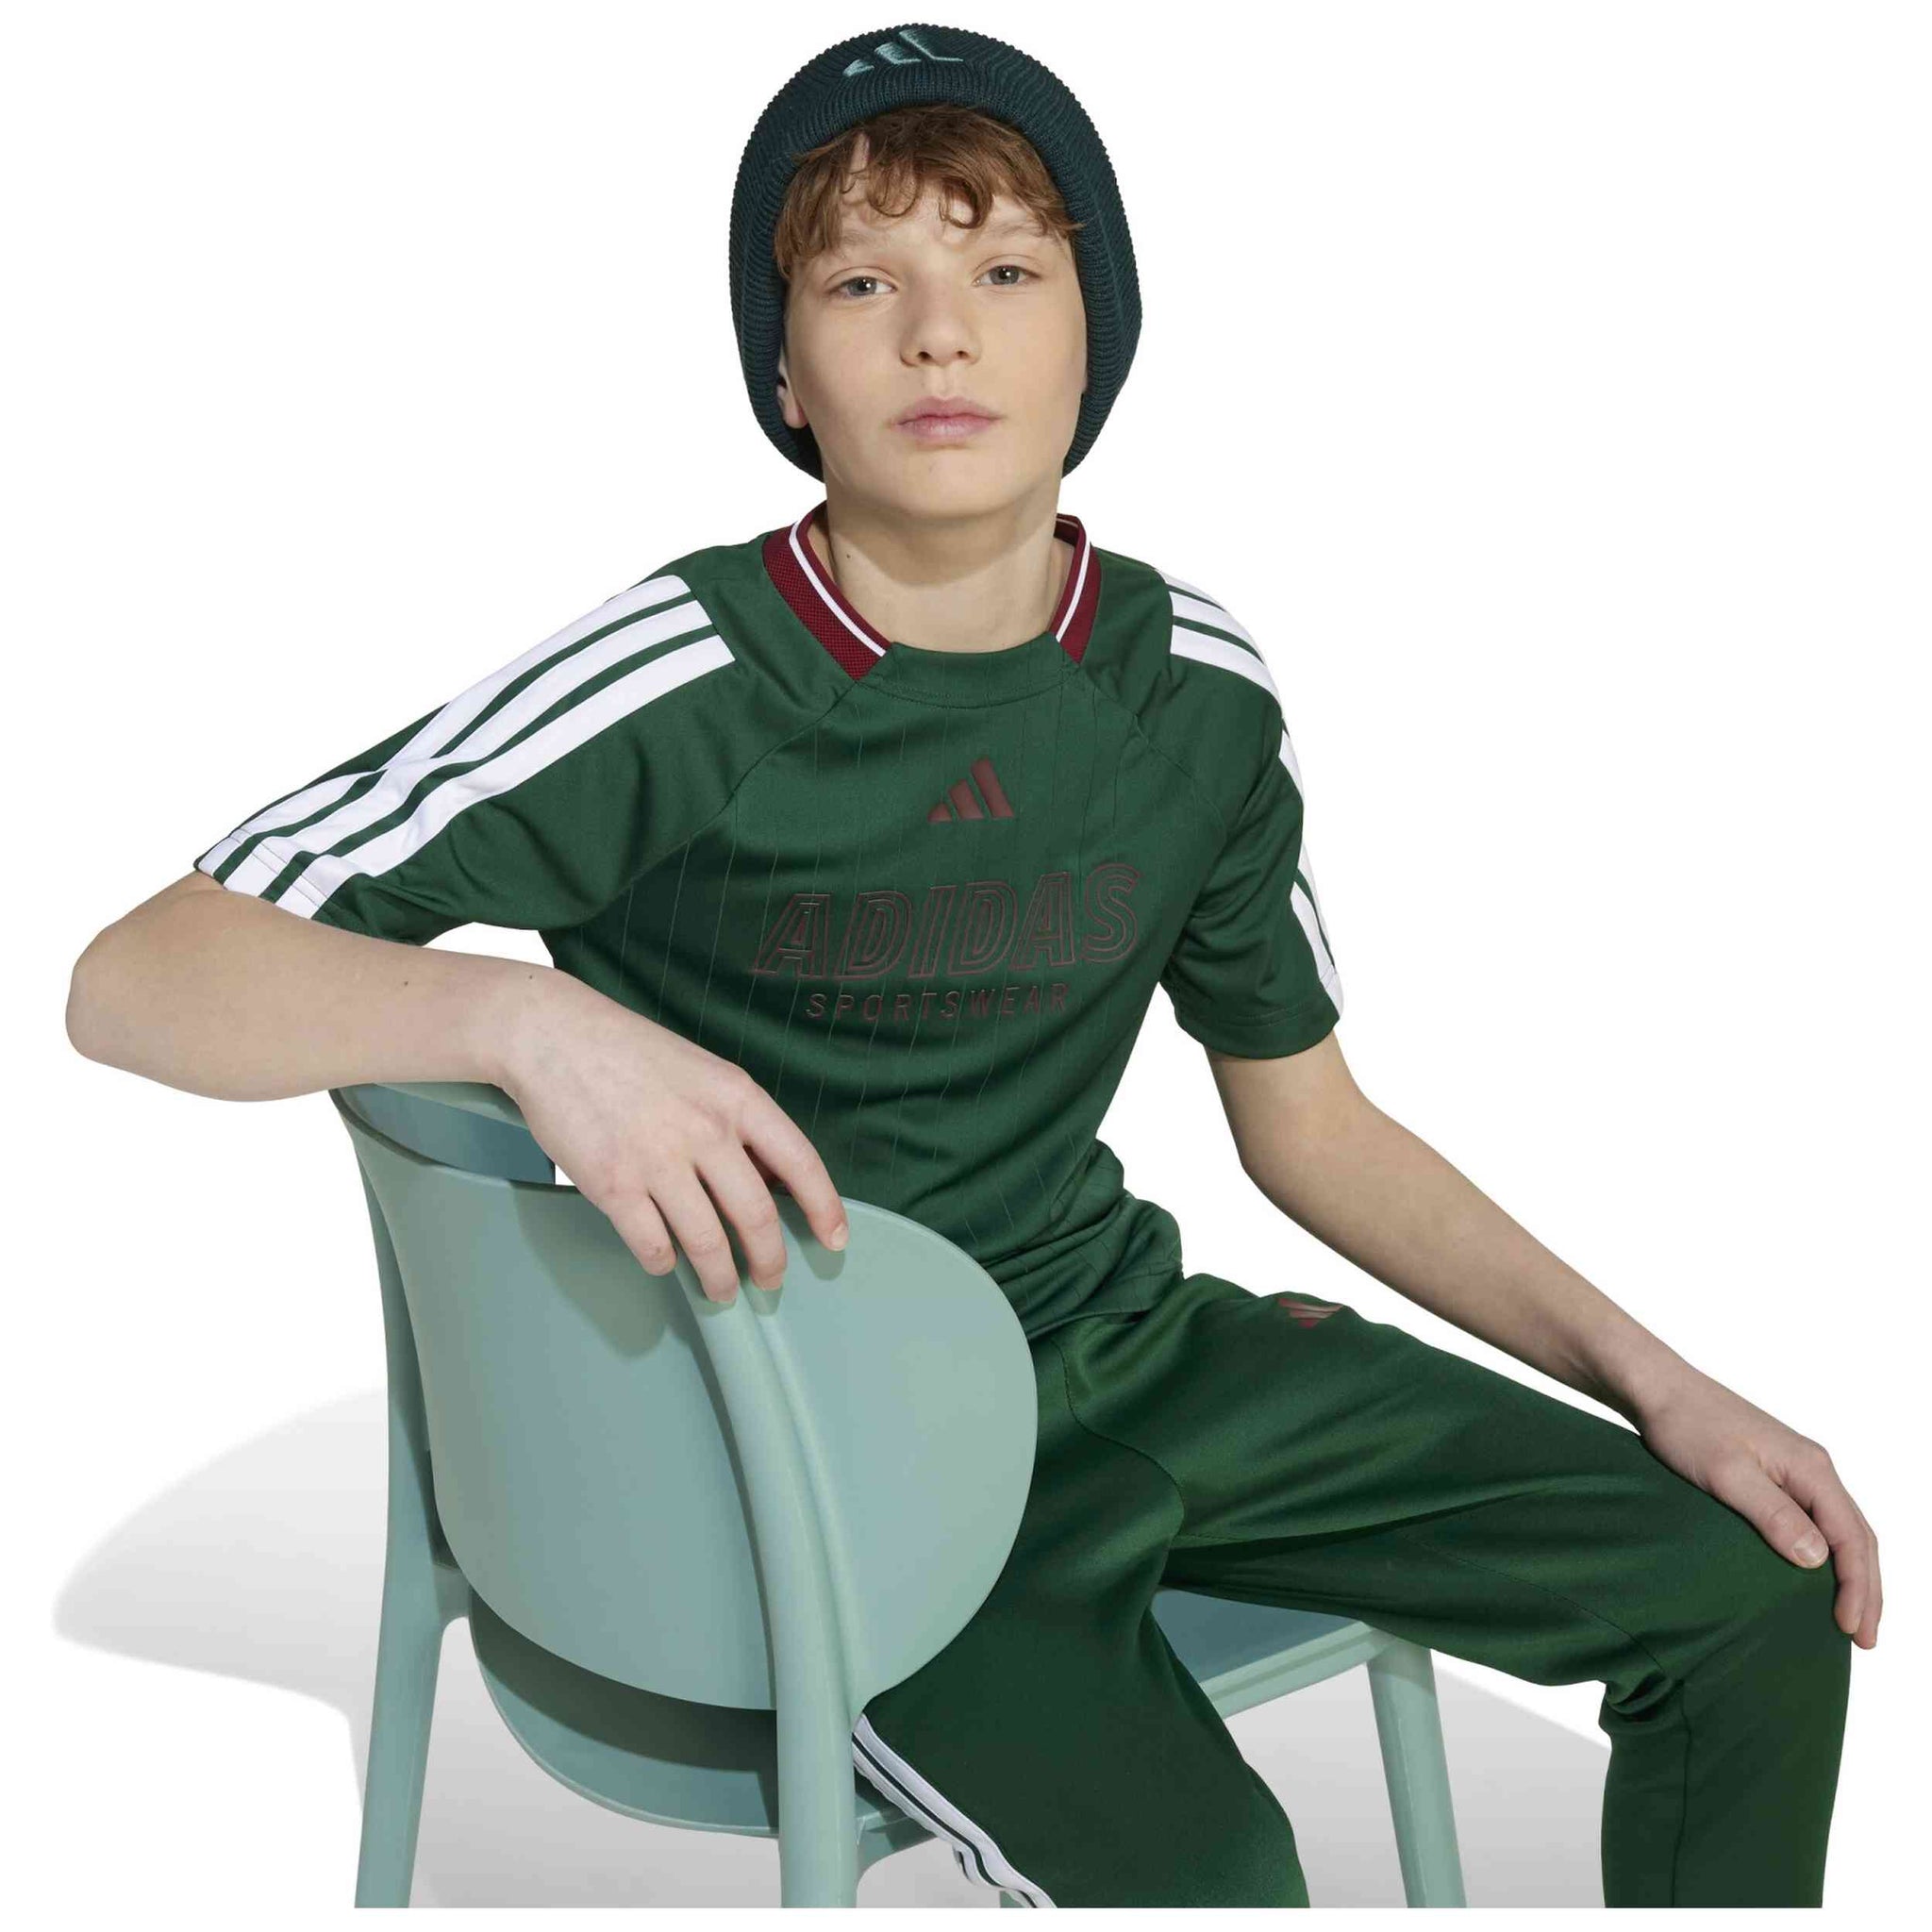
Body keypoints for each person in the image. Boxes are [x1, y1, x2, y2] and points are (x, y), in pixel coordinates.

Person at [67, 22, 1874, 1909]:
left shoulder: (1191, 691)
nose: (941, 335)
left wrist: (1660, 1382)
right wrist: (516, 1014)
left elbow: (1314, 1125)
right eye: (863, 284)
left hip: (1124, 1353)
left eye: (1007, 272)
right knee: (1215, 1878)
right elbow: (136, 979)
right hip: (817, 1449)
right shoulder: (678, 678)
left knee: (1748, 1596)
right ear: (786, 371)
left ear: (1097, 341)